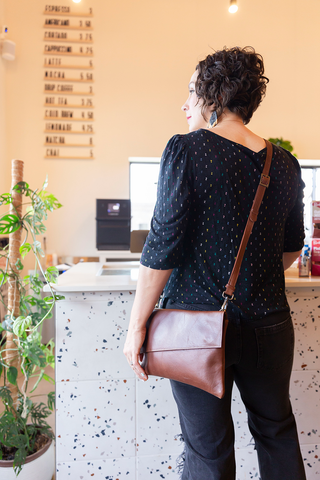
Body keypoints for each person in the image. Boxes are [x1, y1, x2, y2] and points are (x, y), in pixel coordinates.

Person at [123, 46, 306, 480]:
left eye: (191, 91)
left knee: (208, 449)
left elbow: (161, 248)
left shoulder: (186, 151)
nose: (185, 103)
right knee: (276, 431)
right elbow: (292, 249)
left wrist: (136, 328)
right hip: (270, 326)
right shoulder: (285, 163)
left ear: (213, 97)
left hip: (196, 329)